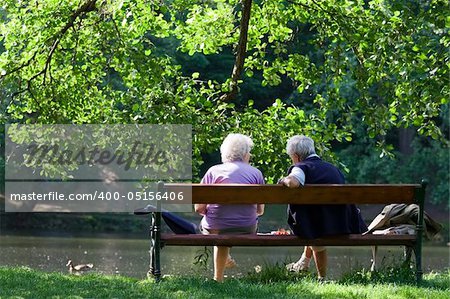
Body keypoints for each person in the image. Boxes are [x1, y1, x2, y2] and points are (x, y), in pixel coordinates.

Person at [278, 135, 367, 281]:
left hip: (320, 226)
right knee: (312, 215)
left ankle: (322, 278)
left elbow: (293, 183)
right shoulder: (332, 168)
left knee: (311, 223)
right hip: (342, 223)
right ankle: (303, 263)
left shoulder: (300, 167)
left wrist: (283, 179)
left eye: (291, 157)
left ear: (296, 156)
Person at [194, 133, 265, 282]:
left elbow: (199, 209)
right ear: (245, 154)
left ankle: (217, 278)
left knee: (218, 226)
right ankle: (222, 266)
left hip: (215, 228)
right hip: (247, 227)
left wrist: (210, 212)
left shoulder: (213, 171)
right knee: (226, 225)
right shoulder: (256, 173)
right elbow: (260, 211)